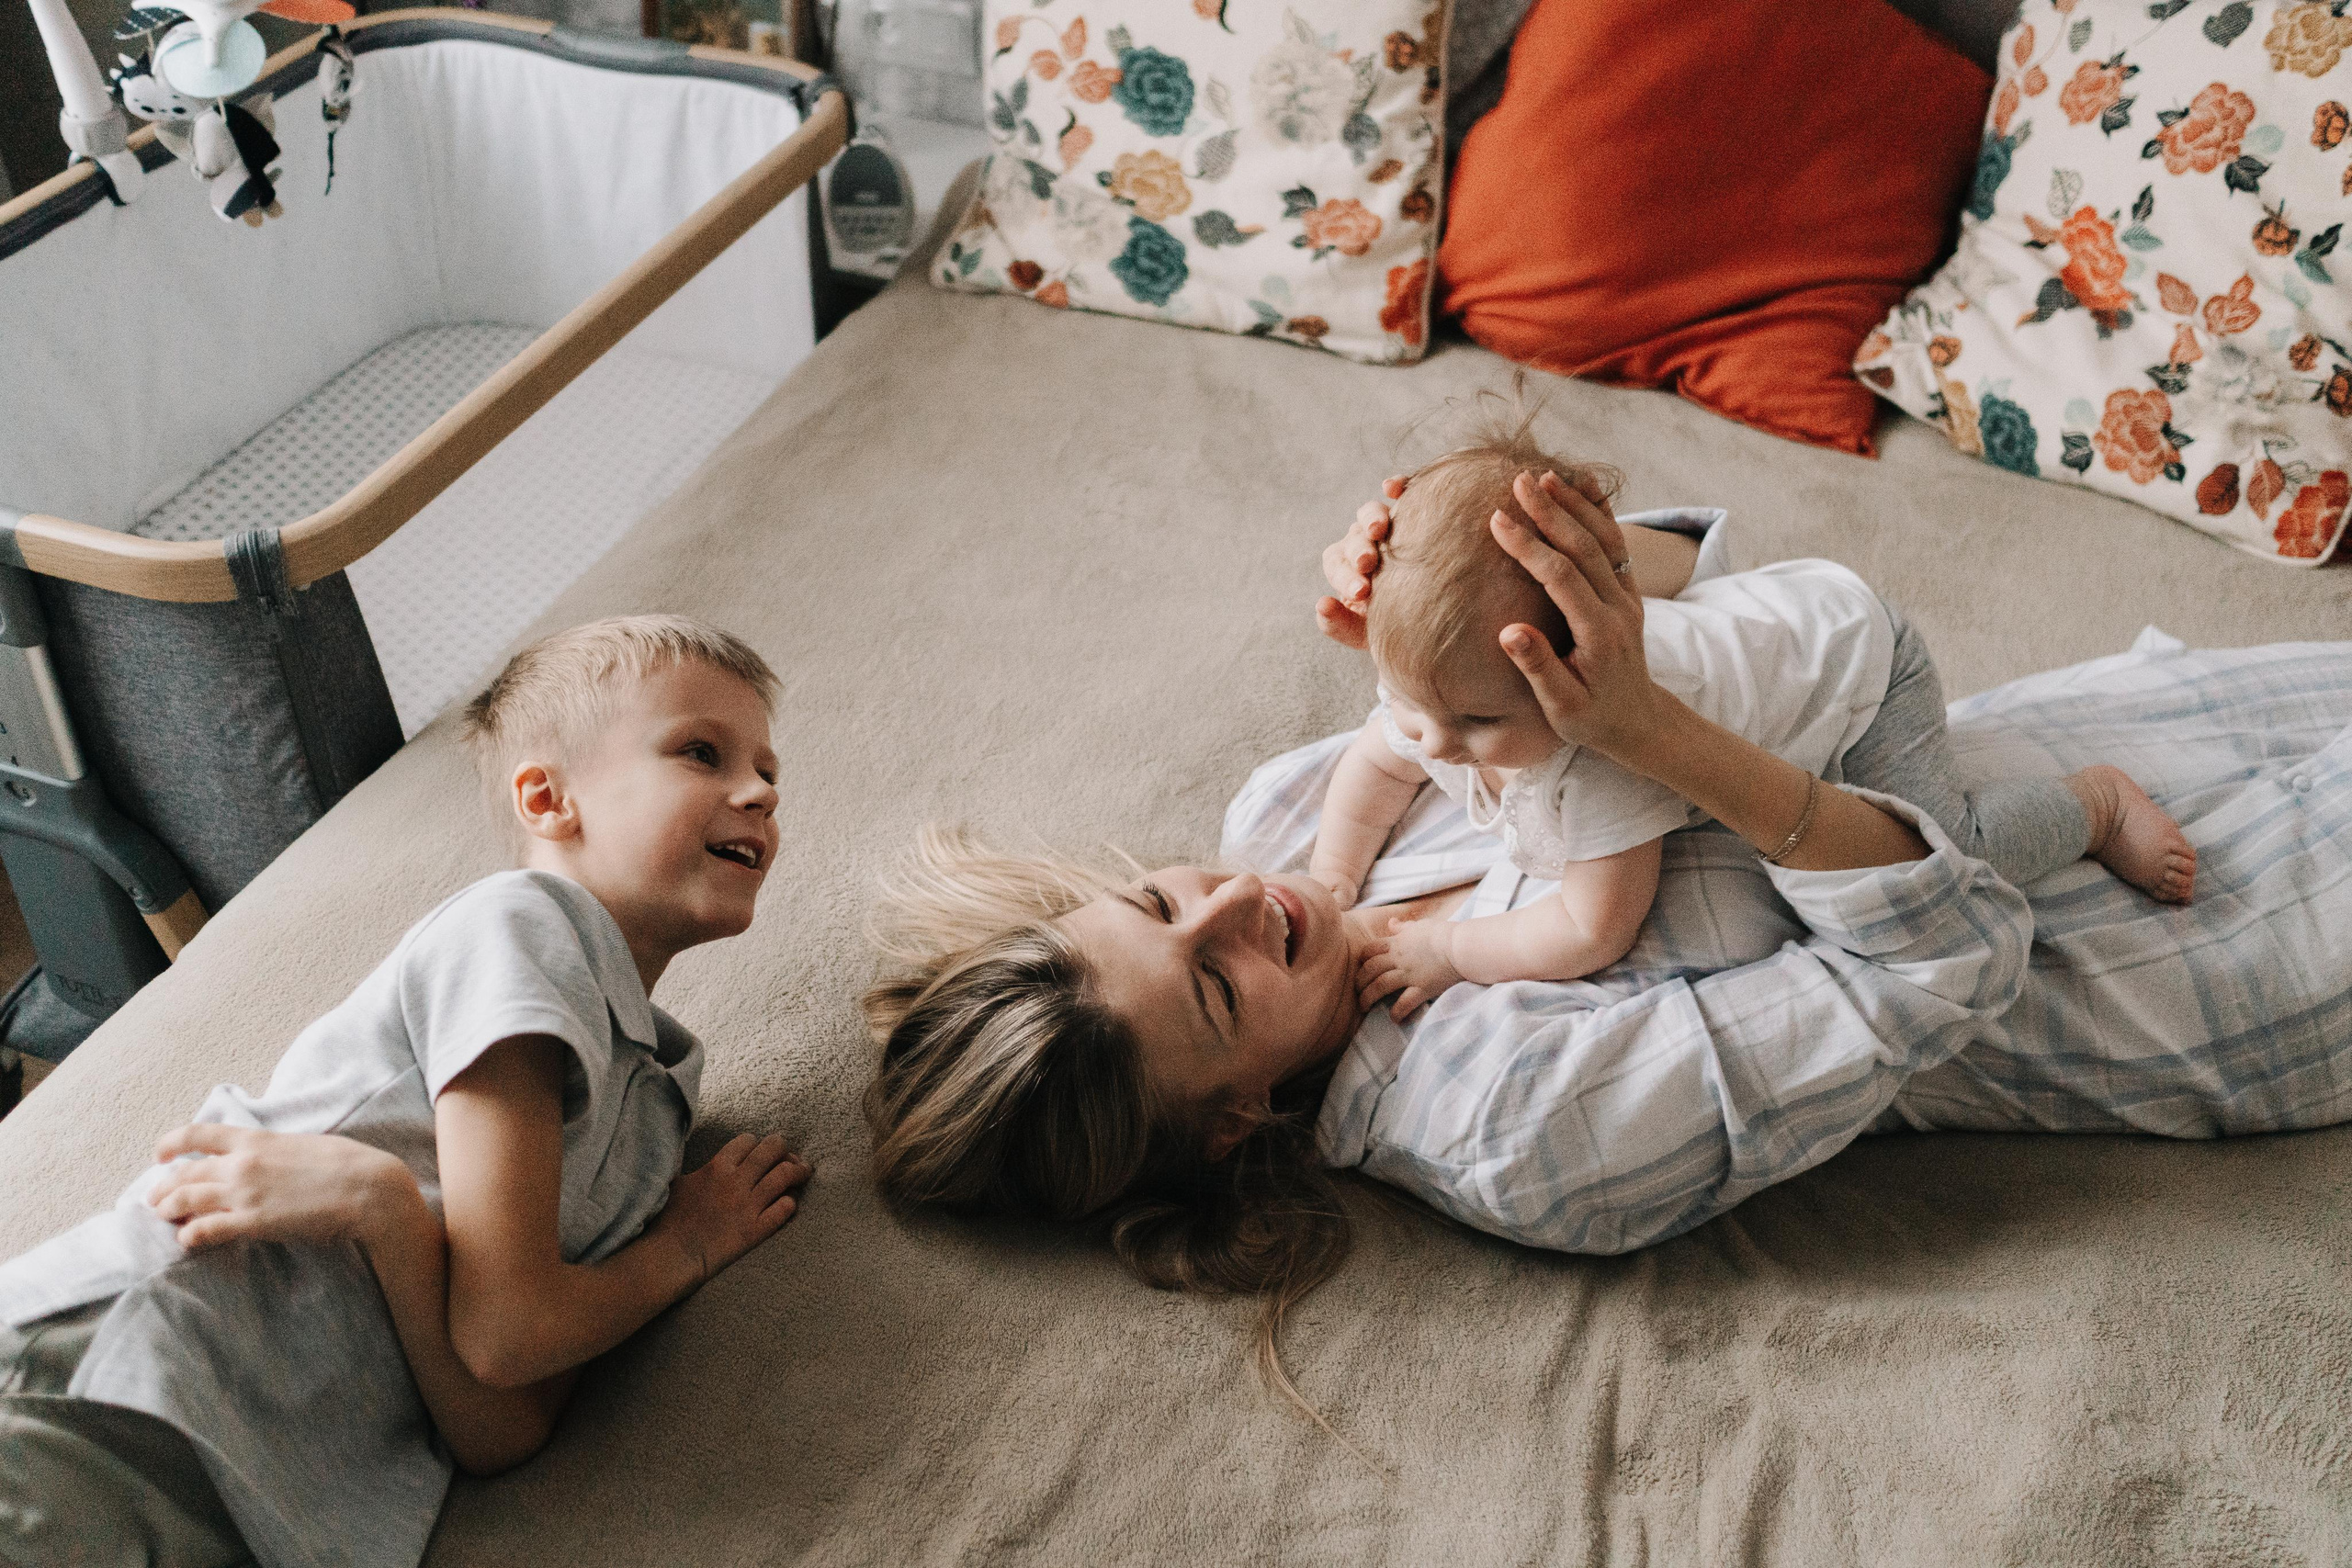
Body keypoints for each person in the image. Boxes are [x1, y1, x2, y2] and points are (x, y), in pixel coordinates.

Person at [864, 473, 2352, 1408]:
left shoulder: (1289, 824)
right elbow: (1949, 955)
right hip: (2196, 951)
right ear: (1239, 1113)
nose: (1240, 900)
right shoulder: (1523, 1128)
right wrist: (1666, 742)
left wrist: (1493, 575)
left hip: (2089, 733)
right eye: (1211, 979)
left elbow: (1689, 618)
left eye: (1156, 894)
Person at [0, 615, 812, 1568]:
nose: (757, 791)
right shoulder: (522, 928)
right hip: (115, 1388)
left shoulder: (657, 1106)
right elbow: (511, 1327)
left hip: (252, 1508)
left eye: (767, 772)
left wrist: (389, 1218)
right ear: (548, 800)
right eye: (702, 754)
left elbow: (498, 1423)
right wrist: (681, 1246)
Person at [1315, 417, 2195, 1022]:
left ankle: (2095, 805)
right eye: (1407, 700)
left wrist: (1454, 951)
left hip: (1856, 660)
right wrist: (1330, 879)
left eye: (1473, 720)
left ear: (1576, 668)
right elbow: (1376, 767)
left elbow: (1592, 928)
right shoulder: (1442, 692)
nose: (1431, 740)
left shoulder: (1596, 762)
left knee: (1956, 852)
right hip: (1754, 622)